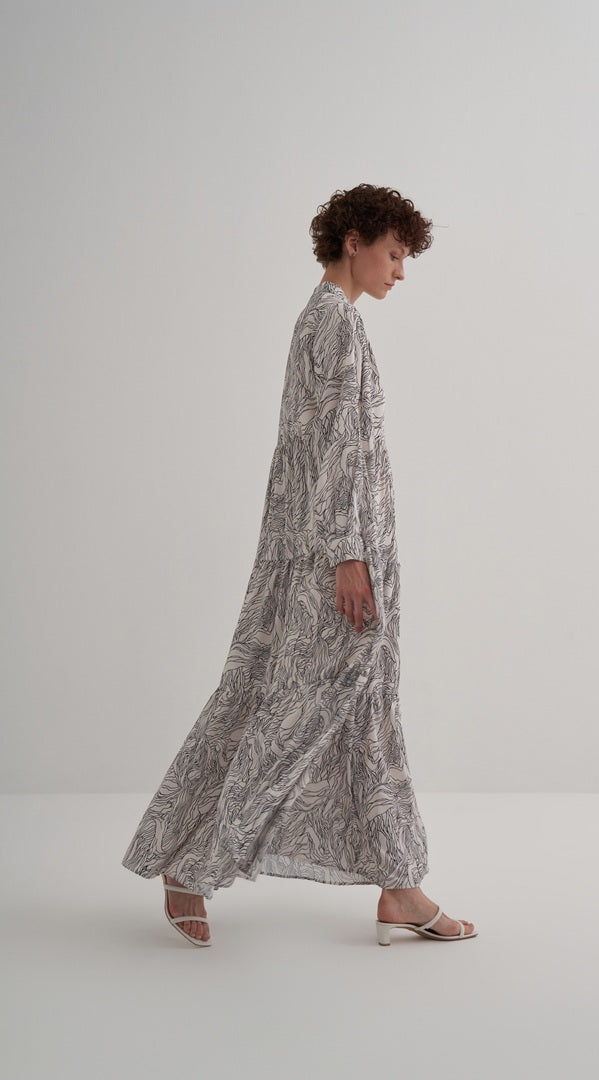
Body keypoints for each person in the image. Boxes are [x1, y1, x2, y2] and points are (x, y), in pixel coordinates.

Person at [121, 183, 477, 947]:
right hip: (336, 559)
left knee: (360, 712)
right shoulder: (333, 323)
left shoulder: (327, 319)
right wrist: (347, 555)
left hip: (332, 549)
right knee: (290, 714)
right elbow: (334, 448)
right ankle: (192, 863)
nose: (401, 272)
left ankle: (400, 887)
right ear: (354, 241)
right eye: (393, 254)